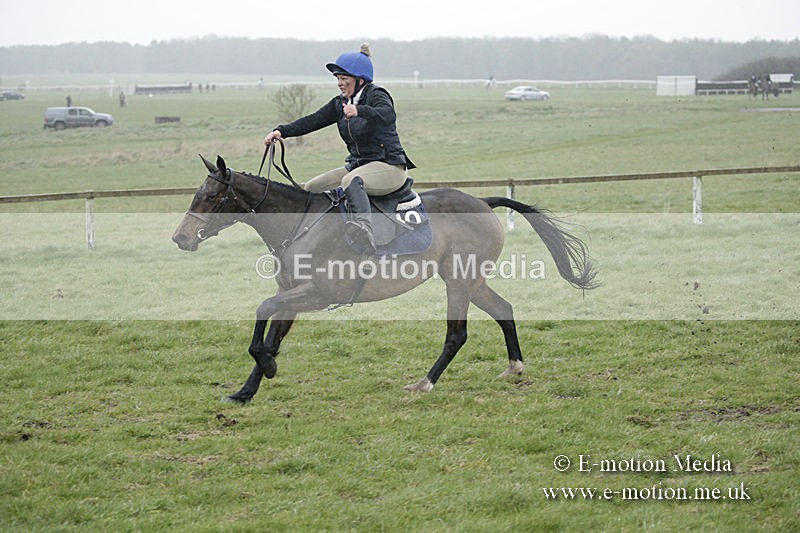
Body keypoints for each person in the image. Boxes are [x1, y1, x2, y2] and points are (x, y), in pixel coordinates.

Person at [264, 44, 414, 255]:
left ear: (360, 80)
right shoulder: (339, 104)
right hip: (358, 166)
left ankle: (364, 230)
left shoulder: (377, 95)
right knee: (311, 187)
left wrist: (360, 110)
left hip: (389, 166)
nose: (340, 83)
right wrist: (281, 132)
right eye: (337, 78)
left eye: (344, 78)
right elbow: (313, 120)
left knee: (350, 181)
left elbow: (388, 114)